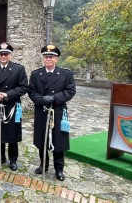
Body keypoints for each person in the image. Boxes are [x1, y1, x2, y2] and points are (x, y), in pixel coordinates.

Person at [28, 44, 76, 181]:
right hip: (42, 111)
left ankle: (59, 169)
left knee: (58, 141)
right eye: (46, 57)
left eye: (51, 57)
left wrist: (54, 98)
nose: (48, 59)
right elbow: (31, 91)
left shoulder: (66, 74)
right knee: (42, 139)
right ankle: (43, 165)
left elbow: (70, 91)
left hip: (58, 112)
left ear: (57, 59)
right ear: (43, 58)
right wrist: (41, 100)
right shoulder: (36, 74)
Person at [0, 42, 28, 171]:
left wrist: (7, 94)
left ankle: (13, 159)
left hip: (12, 105)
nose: (3, 56)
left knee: (12, 133)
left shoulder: (18, 69)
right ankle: (0, 156)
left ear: (10, 55)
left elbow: (23, 87)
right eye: (1, 54)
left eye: (6, 54)